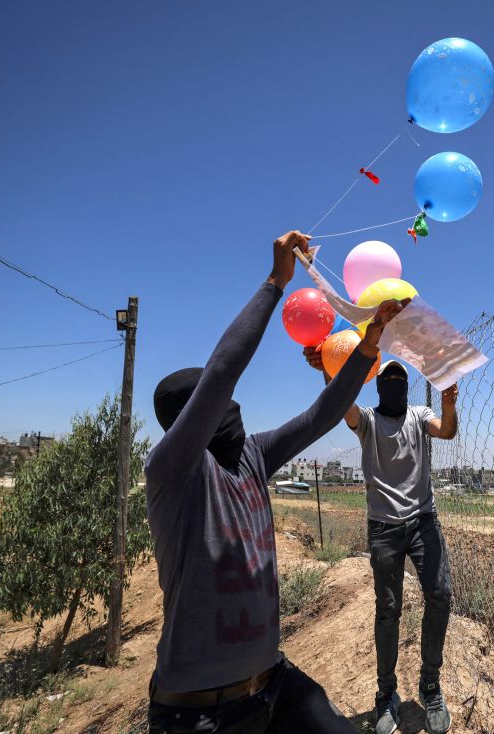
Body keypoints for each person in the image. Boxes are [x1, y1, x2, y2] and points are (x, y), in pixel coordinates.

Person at [144, 230, 407, 734]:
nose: (233, 410)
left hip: (275, 686)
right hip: (199, 712)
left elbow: (322, 415)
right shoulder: (173, 471)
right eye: (214, 403)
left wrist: (368, 345)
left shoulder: (252, 456)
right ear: (191, 419)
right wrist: (274, 284)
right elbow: (223, 372)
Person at [304, 348, 458, 734]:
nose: (394, 386)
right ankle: (386, 693)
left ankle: (430, 684)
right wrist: (328, 369)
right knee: (388, 610)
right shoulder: (368, 421)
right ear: (378, 387)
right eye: (387, 380)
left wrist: (447, 403)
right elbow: (343, 405)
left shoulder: (420, 416)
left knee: (440, 595)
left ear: (406, 388)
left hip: (423, 521)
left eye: (399, 381)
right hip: (384, 528)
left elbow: (448, 430)